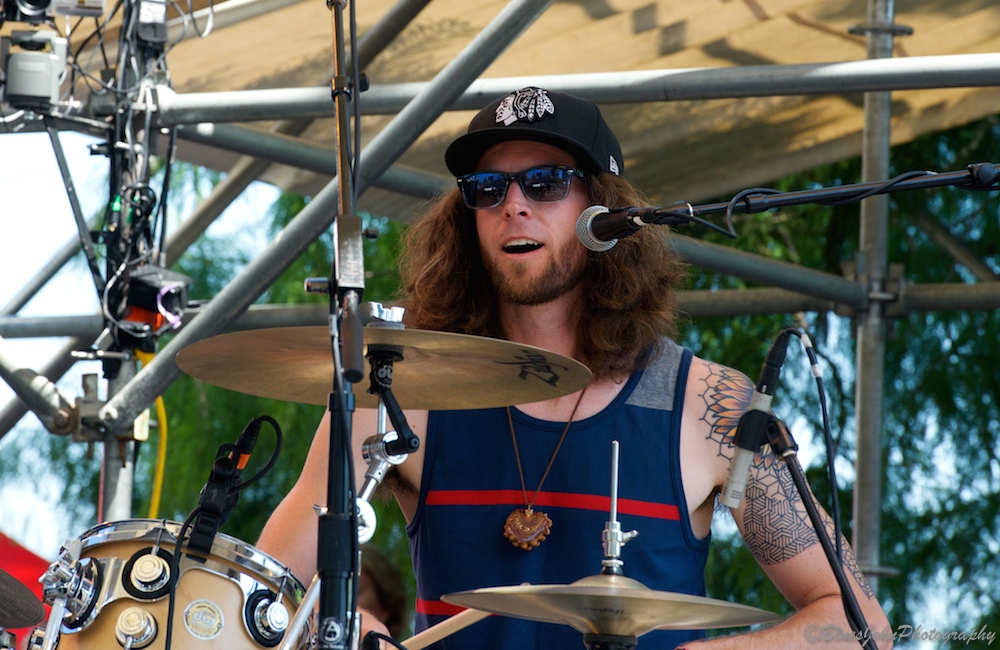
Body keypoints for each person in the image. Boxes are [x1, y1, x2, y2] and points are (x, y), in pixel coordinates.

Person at [258, 86, 893, 649]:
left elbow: (858, 623)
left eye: (545, 182)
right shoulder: (398, 389)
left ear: (606, 209)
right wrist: (348, 629)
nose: (513, 205)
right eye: (488, 188)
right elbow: (267, 584)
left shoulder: (709, 403)